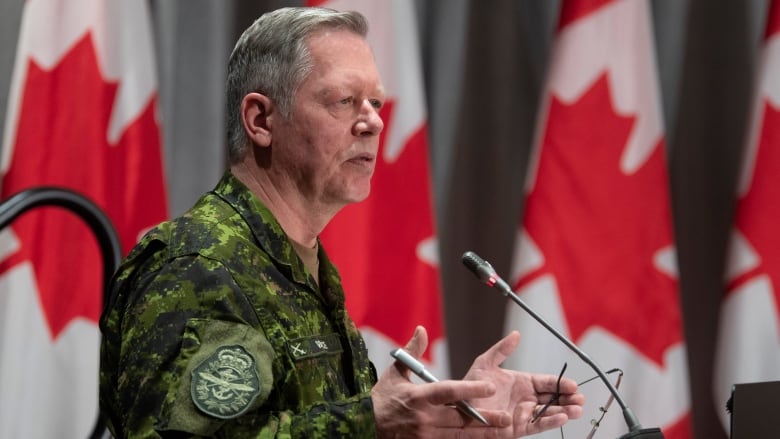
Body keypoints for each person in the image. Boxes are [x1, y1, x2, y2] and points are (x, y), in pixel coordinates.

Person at [99, 6, 584, 438]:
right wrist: (369, 420)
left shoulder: (305, 265)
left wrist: (440, 425)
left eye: (375, 102)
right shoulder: (198, 267)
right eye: (343, 101)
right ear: (261, 120)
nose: (372, 121)